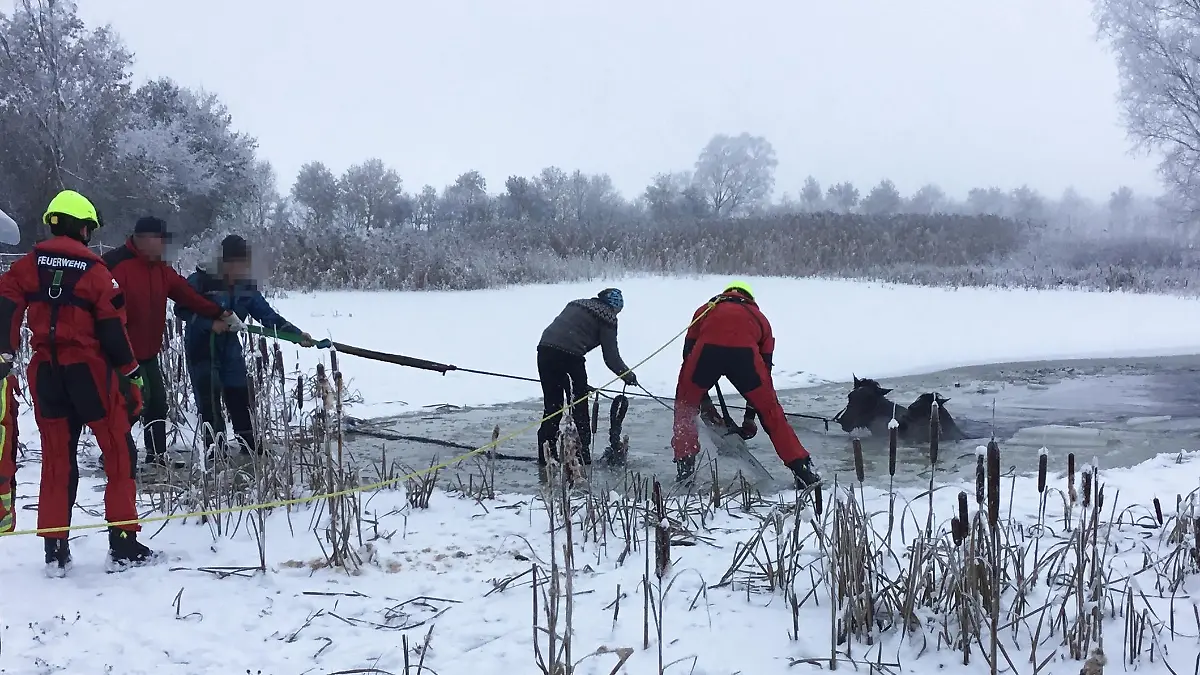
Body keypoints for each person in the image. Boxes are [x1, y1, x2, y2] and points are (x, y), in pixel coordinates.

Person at [0, 190, 155, 574]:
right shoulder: (96, 270)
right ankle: (123, 544)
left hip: (45, 373)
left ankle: (55, 551)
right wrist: (132, 372)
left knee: (56, 460)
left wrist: (5, 354)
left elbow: (4, 307)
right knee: (119, 453)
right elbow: (112, 330)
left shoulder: (26, 266)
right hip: (88, 372)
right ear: (83, 227)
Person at [103, 216, 231, 470]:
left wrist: (217, 311)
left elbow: (187, 295)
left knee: (157, 403)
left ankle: (157, 455)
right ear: (143, 239)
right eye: (160, 240)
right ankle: (113, 454)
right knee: (130, 405)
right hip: (120, 353)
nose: (163, 246)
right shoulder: (114, 265)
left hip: (148, 352)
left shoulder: (161, 269)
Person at [670, 281, 821, 488]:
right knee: (771, 413)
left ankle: (685, 471)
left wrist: (704, 405)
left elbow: (688, 356)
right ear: (748, 298)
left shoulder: (705, 310)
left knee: (684, 408)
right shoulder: (760, 318)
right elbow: (764, 372)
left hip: (706, 355)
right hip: (746, 359)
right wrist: (750, 418)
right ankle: (803, 471)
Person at [175, 234, 313, 460]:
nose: (243, 268)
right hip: (202, 348)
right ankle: (215, 450)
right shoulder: (200, 281)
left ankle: (248, 443)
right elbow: (181, 310)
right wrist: (210, 324)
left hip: (230, 348)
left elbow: (267, 316)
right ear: (225, 262)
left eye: (245, 263)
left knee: (239, 394)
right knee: (210, 401)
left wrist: (296, 335)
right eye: (239, 263)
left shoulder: (245, 287)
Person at [536, 288, 636, 465]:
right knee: (579, 408)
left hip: (545, 350)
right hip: (570, 356)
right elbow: (611, 357)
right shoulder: (607, 317)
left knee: (553, 406)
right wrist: (627, 375)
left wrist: (580, 383)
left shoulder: (577, 303)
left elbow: (569, 332)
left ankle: (546, 455)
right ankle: (581, 456)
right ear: (615, 307)